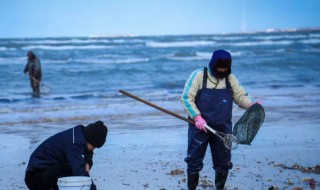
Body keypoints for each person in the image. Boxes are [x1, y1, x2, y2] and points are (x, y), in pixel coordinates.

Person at [181, 49, 255, 190]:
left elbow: (240, 96)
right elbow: (186, 98)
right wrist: (197, 117)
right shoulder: (198, 76)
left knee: (223, 164)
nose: (222, 71)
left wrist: (250, 105)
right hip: (199, 127)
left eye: (225, 69)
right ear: (213, 65)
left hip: (223, 128)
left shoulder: (230, 78)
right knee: (193, 162)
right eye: (219, 68)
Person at [25, 120, 108, 190]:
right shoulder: (73, 144)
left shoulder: (79, 134)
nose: (93, 150)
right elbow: (80, 171)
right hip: (35, 178)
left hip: (46, 171)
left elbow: (88, 152)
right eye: (93, 147)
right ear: (88, 139)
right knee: (73, 169)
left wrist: (88, 162)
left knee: (72, 167)